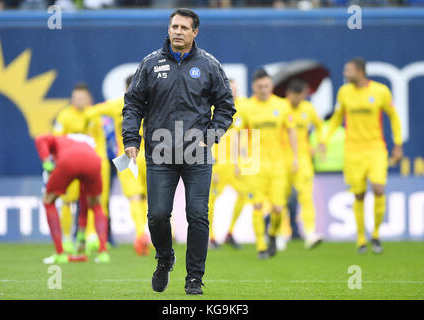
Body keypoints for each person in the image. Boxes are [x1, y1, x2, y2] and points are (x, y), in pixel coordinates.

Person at [122, 8, 235, 295]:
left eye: (185, 27)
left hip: (197, 153)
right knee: (158, 215)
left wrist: (210, 136)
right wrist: (131, 140)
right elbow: (133, 104)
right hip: (160, 153)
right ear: (168, 28)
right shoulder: (150, 64)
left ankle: (194, 278)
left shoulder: (209, 65)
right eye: (174, 26)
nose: (178, 31)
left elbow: (226, 107)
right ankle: (164, 258)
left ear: (195, 32)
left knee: (197, 214)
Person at [320, 57, 403, 254]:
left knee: (378, 188)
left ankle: (375, 235)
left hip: (375, 149)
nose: (344, 74)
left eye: (347, 70)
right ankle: (360, 239)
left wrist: (398, 144)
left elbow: (394, 116)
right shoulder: (344, 92)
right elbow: (337, 119)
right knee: (358, 194)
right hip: (352, 151)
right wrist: (324, 139)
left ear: (359, 71)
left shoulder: (380, 91)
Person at [234, 69, 298, 259]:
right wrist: (237, 160)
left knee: (279, 208)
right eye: (260, 86)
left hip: (278, 165)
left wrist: (295, 157)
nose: (263, 89)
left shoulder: (282, 105)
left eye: (267, 86)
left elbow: (292, 131)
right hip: (254, 165)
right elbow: (237, 134)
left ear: (271, 86)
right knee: (257, 205)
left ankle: (272, 235)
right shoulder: (246, 108)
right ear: (254, 87)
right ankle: (261, 245)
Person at [85, 75, 151, 256]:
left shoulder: (117, 104)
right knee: (149, 198)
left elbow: (89, 113)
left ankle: (140, 234)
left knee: (134, 197)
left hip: (126, 156)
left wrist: (89, 130)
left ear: (126, 87)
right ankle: (148, 234)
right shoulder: (152, 102)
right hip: (151, 155)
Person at [35, 134, 109, 264]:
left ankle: (60, 253)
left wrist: (46, 161)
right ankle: (103, 253)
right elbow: (83, 196)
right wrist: (81, 233)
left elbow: (40, 139)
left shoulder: (58, 139)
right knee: (96, 204)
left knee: (48, 201)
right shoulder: (84, 142)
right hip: (93, 160)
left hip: (68, 161)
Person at [280, 79, 323, 250]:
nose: (299, 100)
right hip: (283, 158)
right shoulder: (281, 108)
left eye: (302, 97)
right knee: (281, 199)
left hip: (303, 159)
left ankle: (310, 234)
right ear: (289, 94)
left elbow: (320, 126)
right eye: (297, 97)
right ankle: (281, 234)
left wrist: (318, 144)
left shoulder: (308, 109)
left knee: (306, 196)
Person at [208, 79, 248, 250]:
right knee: (210, 201)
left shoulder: (243, 108)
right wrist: (212, 162)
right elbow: (208, 137)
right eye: (230, 90)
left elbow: (243, 136)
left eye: (235, 89)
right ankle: (211, 237)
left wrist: (241, 161)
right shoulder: (212, 109)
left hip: (234, 164)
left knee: (244, 194)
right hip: (218, 164)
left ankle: (230, 232)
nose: (234, 93)